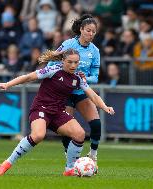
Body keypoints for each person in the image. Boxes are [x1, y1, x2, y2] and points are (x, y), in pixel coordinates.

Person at [0, 49, 114, 176]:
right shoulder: (53, 69)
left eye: (76, 62)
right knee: (38, 135)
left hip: (58, 112)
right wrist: (8, 84)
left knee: (80, 134)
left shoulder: (78, 77)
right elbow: (29, 77)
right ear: (63, 61)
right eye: (70, 62)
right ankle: (7, 163)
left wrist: (105, 107)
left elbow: (92, 95)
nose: (73, 65)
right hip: (41, 108)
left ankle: (69, 169)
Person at [47, 14, 101, 170]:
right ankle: (69, 156)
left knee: (96, 124)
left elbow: (95, 78)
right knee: (67, 127)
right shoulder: (68, 44)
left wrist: (85, 78)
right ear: (81, 29)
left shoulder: (95, 51)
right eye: (88, 30)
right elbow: (52, 64)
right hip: (65, 92)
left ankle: (92, 156)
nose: (91, 34)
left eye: (93, 32)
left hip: (81, 92)